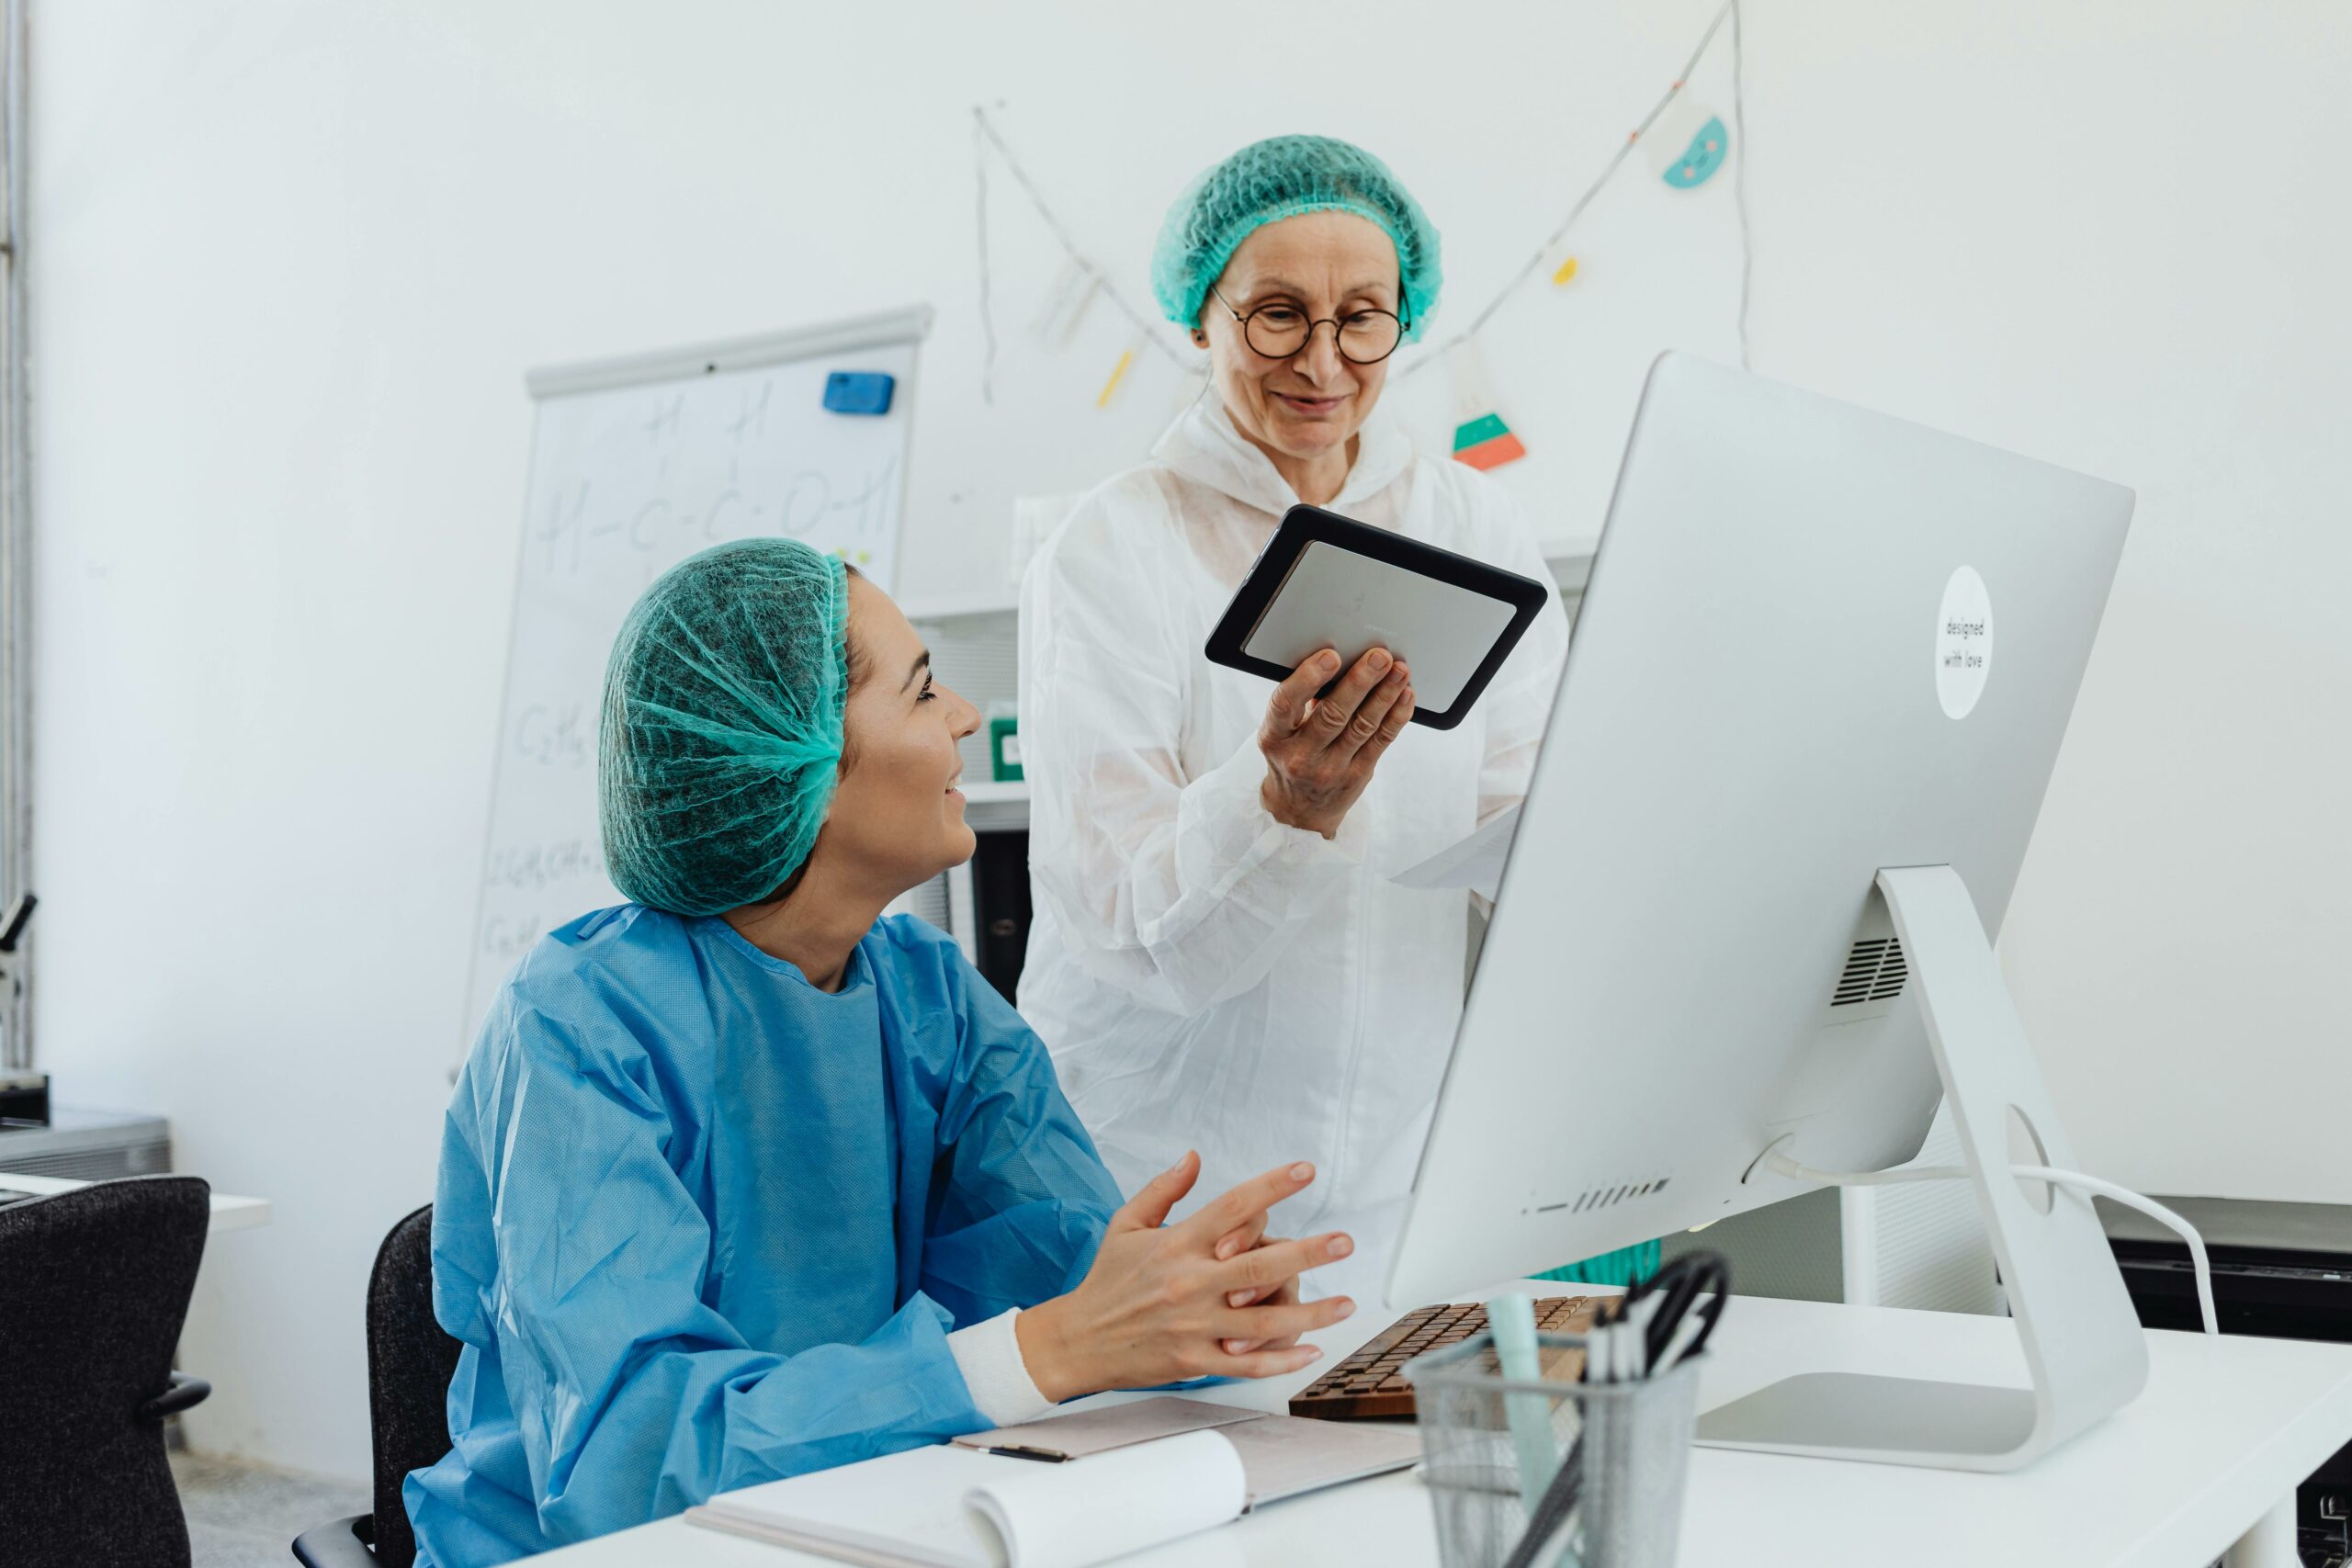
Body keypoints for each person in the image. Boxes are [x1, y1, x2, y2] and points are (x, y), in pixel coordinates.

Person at [404, 540, 1357, 1567]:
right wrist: (1059, 1345)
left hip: (866, 1515)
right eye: (922, 692)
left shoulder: (925, 990)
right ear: (794, 769)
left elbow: (1065, 1274)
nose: (964, 717)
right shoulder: (576, 1025)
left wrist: (1191, 1302)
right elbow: (629, 1468)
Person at [1020, 134, 1653, 1303]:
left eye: (1364, 317)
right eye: (1275, 315)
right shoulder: (1110, 547)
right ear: (1198, 315)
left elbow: (1527, 816)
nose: (1324, 361)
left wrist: (1626, 802)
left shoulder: (1475, 530)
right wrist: (1280, 807)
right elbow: (1117, 917)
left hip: (1389, 1176)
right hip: (1150, 1172)